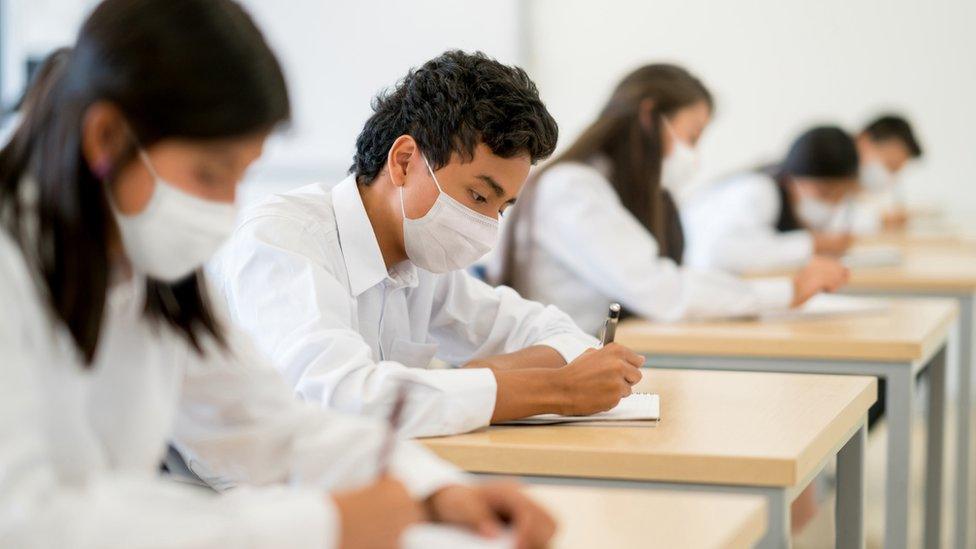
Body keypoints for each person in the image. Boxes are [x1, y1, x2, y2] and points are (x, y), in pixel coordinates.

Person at [0, 2, 555, 548]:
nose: (225, 206)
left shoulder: (148, 261)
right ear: (106, 138)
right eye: (209, 173)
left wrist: (434, 491)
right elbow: (25, 519)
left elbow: (265, 423)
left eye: (240, 175)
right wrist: (321, 526)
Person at [211, 50, 645, 437]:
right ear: (403, 162)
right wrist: (552, 389)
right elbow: (343, 399)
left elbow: (561, 335)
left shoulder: (419, 261)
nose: (485, 225)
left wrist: (480, 376)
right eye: (478, 196)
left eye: (502, 208)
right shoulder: (282, 239)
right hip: (238, 503)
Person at [487, 64, 849, 334]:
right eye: (691, 137)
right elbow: (660, 290)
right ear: (648, 116)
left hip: (602, 354)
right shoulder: (573, 189)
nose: (694, 155)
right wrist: (787, 291)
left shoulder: (616, 189)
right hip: (561, 365)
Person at [683, 125, 862, 274]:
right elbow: (724, 254)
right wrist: (812, 244)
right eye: (824, 192)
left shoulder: (790, 201)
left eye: (841, 193)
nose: (832, 202)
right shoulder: (758, 189)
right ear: (793, 180)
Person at [853, 114, 924, 232]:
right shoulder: (826, 158)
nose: (890, 177)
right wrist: (877, 220)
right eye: (890, 165)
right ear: (864, 141)